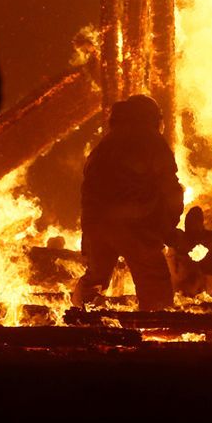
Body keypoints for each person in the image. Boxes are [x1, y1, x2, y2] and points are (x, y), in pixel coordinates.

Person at [72, 95, 183, 311]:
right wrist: (169, 226)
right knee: (154, 283)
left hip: (98, 225)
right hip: (136, 225)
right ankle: (156, 332)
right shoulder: (151, 141)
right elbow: (170, 189)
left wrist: (89, 233)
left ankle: (80, 318)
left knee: (95, 279)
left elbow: (88, 194)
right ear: (152, 118)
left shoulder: (104, 146)